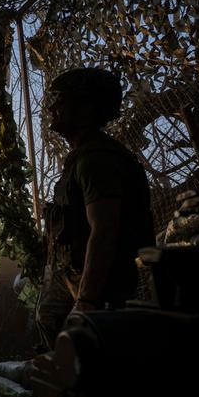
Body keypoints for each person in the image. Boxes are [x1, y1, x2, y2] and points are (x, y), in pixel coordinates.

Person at [36, 68, 155, 350]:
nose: (53, 107)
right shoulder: (82, 158)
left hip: (101, 287)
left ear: (86, 110)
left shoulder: (96, 160)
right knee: (52, 325)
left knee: (93, 356)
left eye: (61, 101)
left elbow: (104, 228)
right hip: (73, 277)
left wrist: (87, 300)